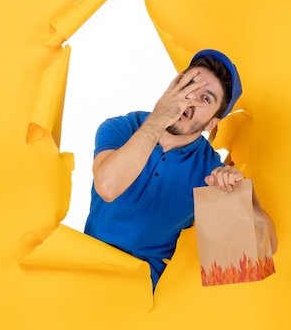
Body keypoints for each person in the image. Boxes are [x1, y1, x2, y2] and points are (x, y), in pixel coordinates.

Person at [84, 49, 244, 290]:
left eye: (206, 99)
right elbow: (108, 187)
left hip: (148, 294)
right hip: (86, 269)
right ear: (173, 86)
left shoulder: (211, 171)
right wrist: (160, 117)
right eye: (189, 84)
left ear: (212, 123)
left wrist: (240, 195)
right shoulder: (121, 128)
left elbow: (250, 257)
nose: (191, 98)